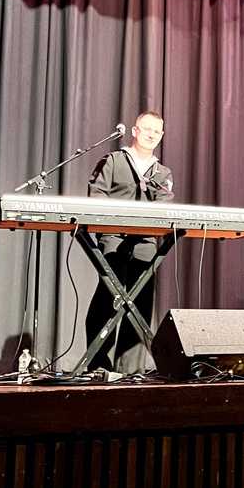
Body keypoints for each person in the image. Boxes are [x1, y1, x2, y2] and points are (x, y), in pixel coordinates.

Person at [84, 111, 174, 374]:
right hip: (113, 236)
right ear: (135, 131)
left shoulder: (162, 171)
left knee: (141, 302)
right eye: (146, 129)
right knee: (110, 297)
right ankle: (99, 366)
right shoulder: (112, 160)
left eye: (157, 131)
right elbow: (96, 194)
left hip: (145, 240)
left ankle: (130, 371)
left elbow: (165, 204)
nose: (151, 135)